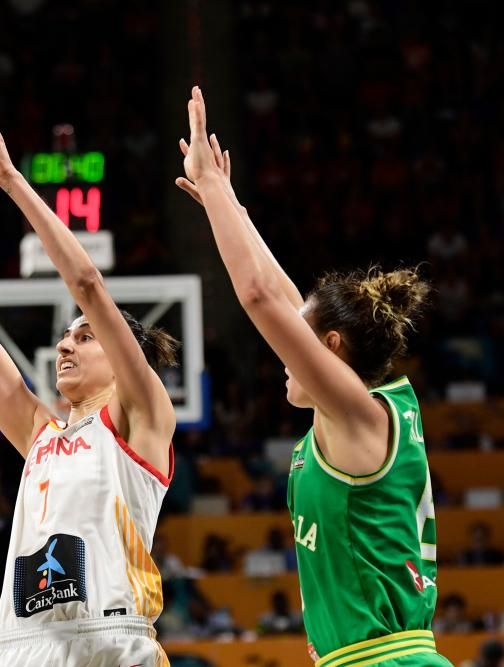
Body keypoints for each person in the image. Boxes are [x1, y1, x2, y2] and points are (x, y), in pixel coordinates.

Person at [177, 86, 450, 666]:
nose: (285, 359)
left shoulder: (356, 411)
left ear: (330, 348)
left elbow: (258, 297)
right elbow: (282, 294)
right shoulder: (372, 407)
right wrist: (228, 205)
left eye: (300, 346)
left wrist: (214, 188)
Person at [0, 103, 177, 666]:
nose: (64, 345)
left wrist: (10, 179)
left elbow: (86, 282)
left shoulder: (142, 415)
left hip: (110, 642)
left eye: (84, 337)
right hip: (19, 646)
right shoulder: (41, 435)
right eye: (65, 337)